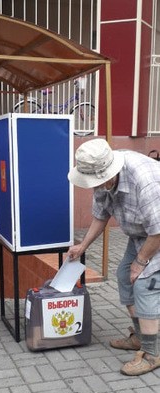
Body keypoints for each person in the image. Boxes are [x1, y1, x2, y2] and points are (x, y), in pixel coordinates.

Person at [67, 138, 160, 376]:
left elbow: (158, 230)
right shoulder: (100, 173)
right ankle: (140, 337)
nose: (93, 187)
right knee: (123, 276)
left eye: (96, 182)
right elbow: (101, 215)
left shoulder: (145, 180)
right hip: (141, 233)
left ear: (109, 173)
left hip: (156, 234)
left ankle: (152, 353)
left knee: (144, 285)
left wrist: (140, 263)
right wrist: (82, 247)